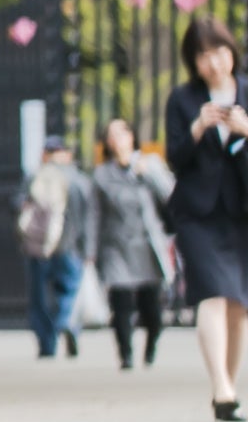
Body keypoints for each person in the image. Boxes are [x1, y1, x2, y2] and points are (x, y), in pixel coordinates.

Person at [162, 14, 248, 421]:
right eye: (202, 56)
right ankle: (221, 387)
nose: (212, 63)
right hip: (197, 211)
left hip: (241, 208)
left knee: (239, 304)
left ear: (231, 52)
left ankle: (227, 386)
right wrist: (197, 128)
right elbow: (174, 159)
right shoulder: (182, 99)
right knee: (211, 294)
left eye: (217, 52)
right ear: (192, 62)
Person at [75, 116, 173, 370]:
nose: (116, 140)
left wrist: (147, 173)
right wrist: (90, 251)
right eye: (111, 135)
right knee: (120, 304)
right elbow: (94, 215)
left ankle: (151, 344)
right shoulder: (102, 174)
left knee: (151, 308)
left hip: (147, 245)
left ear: (132, 136)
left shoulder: (150, 164)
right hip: (116, 246)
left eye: (121, 133)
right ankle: (126, 355)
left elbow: (170, 195)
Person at [17, 138, 83, 359]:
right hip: (66, 245)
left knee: (42, 298)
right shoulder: (76, 178)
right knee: (67, 292)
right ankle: (65, 324)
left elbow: (17, 206)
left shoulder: (35, 177)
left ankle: (50, 341)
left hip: (42, 246)